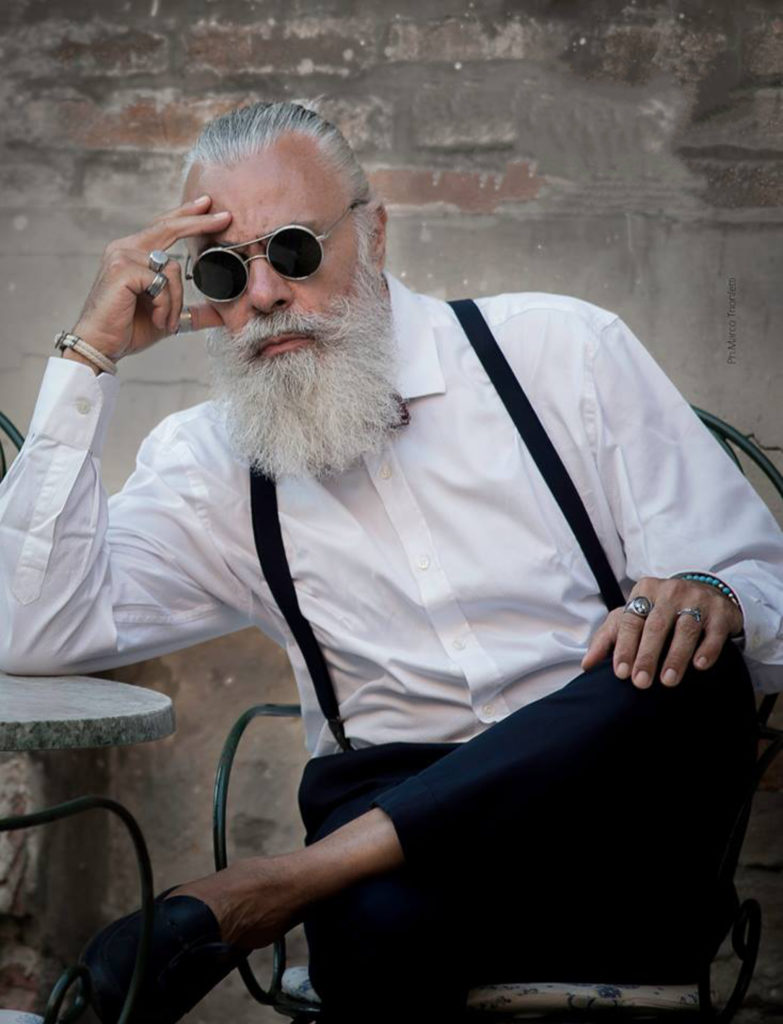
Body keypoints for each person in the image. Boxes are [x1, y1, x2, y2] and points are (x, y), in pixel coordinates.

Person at [0, 100, 781, 1024]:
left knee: (689, 666)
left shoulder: (559, 352)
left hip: (617, 828)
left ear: (372, 233)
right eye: (224, 268)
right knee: (371, 933)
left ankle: (282, 882)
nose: (263, 295)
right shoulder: (209, 463)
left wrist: (710, 593)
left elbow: (757, 588)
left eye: (293, 250)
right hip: (409, 876)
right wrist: (89, 354)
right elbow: (32, 629)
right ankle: (338, 872)